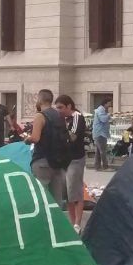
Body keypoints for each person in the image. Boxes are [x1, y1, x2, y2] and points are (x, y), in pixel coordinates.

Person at [27, 89, 69, 205]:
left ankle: (43, 223)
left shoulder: (40, 116)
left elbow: (35, 138)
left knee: (41, 199)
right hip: (57, 162)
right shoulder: (59, 116)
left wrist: (27, 139)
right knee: (56, 200)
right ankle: (56, 222)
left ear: (40, 99)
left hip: (42, 161)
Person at [55, 95, 88, 231]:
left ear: (69, 106)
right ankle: (72, 222)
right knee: (67, 193)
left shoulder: (76, 117)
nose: (59, 110)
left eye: (61, 107)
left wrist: (61, 128)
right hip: (64, 159)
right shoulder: (61, 118)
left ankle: (77, 223)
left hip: (75, 159)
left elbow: (72, 137)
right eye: (57, 108)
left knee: (75, 192)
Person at [92, 99, 113, 170]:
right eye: (109, 104)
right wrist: (109, 114)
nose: (110, 105)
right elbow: (103, 119)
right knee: (103, 151)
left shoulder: (101, 110)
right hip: (100, 133)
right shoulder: (100, 110)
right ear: (105, 103)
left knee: (98, 151)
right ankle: (105, 166)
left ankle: (97, 167)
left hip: (100, 133)